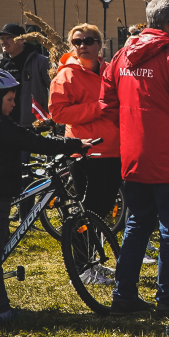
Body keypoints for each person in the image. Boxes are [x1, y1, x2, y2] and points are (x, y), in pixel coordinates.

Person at [0, 68, 92, 327]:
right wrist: (74, 143)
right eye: (10, 99)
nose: (14, 104)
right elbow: (33, 142)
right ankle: (3, 313)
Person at [100, 0, 169, 316]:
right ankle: (167, 302)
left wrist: (134, 131)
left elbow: (106, 105)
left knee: (137, 225)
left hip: (135, 157)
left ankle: (123, 295)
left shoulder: (121, 56)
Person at [48, 23, 121, 221]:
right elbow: (58, 113)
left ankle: (93, 249)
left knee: (105, 207)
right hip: (84, 150)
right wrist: (98, 108)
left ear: (99, 45)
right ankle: (80, 252)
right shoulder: (66, 75)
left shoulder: (111, 71)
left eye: (88, 41)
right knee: (87, 209)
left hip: (114, 148)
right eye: (77, 42)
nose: (82, 46)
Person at [0, 22, 51, 127]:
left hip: (33, 124)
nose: (4, 42)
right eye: (2, 39)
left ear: (21, 40)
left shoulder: (40, 62)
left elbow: (55, 89)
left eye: (9, 38)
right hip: (4, 123)